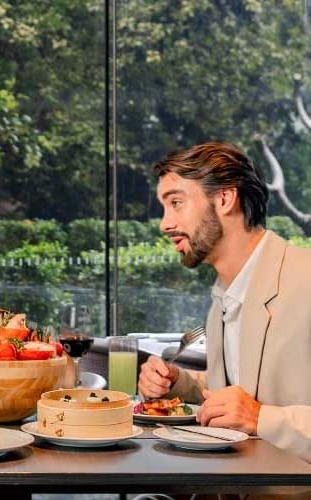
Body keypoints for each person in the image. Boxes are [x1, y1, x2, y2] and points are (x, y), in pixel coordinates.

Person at [138, 141, 311, 463]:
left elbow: (255, 408)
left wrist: (263, 418)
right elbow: (247, 385)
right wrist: (179, 383)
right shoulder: (225, 296)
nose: (165, 223)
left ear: (225, 198)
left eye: (176, 202)